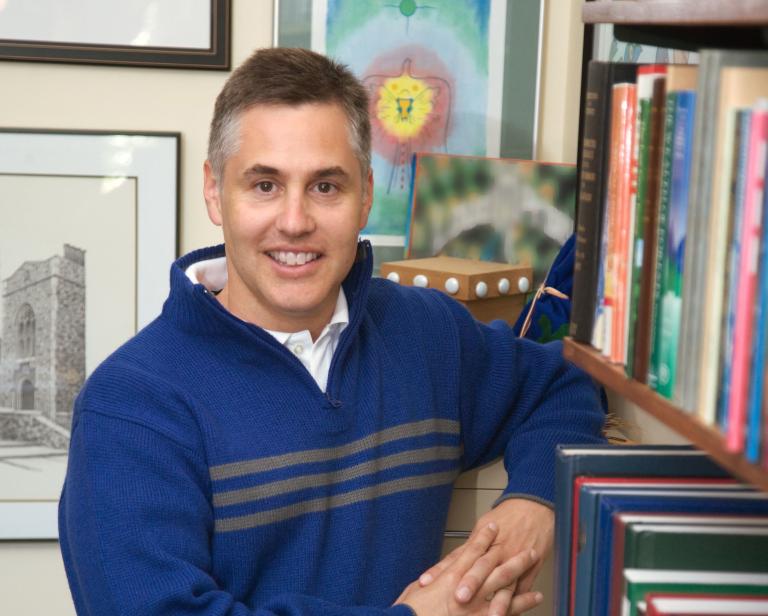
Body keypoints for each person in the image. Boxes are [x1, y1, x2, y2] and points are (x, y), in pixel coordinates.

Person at [58, 47, 605, 616]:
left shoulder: (428, 332)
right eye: (265, 185)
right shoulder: (129, 407)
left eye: (325, 187)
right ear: (215, 191)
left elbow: (564, 388)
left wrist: (536, 502)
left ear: (365, 193)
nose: (295, 222)